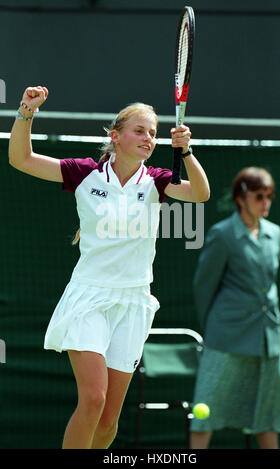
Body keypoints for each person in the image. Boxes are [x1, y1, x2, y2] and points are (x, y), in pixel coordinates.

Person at [9, 86, 210, 449]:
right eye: (139, 130)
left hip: (133, 303)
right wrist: (26, 111)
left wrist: (187, 151)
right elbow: (21, 159)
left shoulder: (158, 181)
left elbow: (200, 193)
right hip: (89, 299)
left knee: (107, 422)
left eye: (153, 132)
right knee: (93, 400)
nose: (148, 137)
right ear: (115, 136)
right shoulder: (84, 174)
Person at [190, 167, 280, 450]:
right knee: (205, 411)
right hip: (226, 336)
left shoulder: (276, 233)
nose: (265, 203)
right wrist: (212, 329)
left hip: (267, 337)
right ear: (240, 197)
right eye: (259, 196)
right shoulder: (222, 234)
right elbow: (204, 286)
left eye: (269, 196)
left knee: (268, 416)